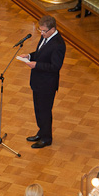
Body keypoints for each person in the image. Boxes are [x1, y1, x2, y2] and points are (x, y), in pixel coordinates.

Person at [19, 16, 66, 149]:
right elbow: (40, 53)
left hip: (47, 84)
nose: (41, 33)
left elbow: (55, 67)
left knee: (45, 111)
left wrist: (36, 65)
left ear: (52, 29)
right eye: (40, 30)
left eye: (44, 31)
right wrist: (29, 56)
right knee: (38, 110)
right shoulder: (46, 37)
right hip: (38, 82)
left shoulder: (58, 45)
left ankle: (46, 138)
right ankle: (41, 132)